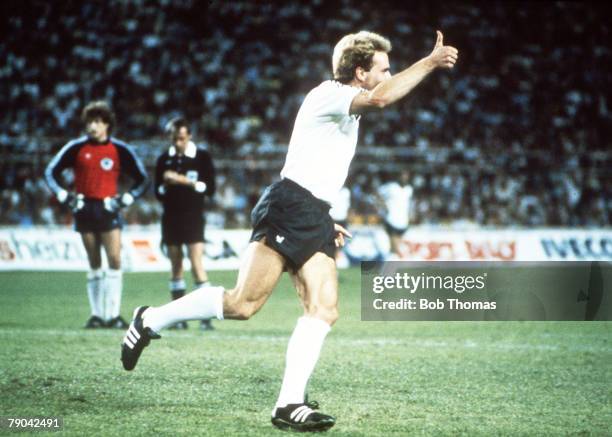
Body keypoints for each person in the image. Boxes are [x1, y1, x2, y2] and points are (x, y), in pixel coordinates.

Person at [121, 30, 458, 432]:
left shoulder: (346, 107)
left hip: (311, 211)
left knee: (325, 308)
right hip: (288, 206)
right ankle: (150, 319)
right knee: (242, 305)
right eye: (383, 68)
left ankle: (289, 404)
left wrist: (322, 216)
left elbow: (319, 158)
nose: (387, 75)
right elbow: (382, 98)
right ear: (360, 71)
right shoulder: (328, 93)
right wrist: (430, 62)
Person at [45, 101, 149, 329]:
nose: (92, 126)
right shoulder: (75, 148)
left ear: (107, 125)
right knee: (94, 262)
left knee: (114, 260)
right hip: (84, 209)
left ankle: (112, 315)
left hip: (107, 208)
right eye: (90, 122)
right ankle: (97, 315)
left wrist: (126, 198)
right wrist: (64, 195)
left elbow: (142, 178)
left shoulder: (120, 150)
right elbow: (50, 172)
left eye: (97, 122)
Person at [154, 117, 216, 330]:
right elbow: (157, 192)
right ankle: (177, 319)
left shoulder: (202, 157)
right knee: (175, 266)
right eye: (174, 139)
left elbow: (210, 189)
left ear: (189, 136)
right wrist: (165, 185)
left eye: (181, 138)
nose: (177, 143)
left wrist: (183, 181)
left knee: (197, 263)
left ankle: (206, 317)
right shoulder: (164, 159)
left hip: (193, 216)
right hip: (170, 216)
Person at [378, 170, 414, 259]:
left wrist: (411, 214)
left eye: (406, 176)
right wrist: (383, 206)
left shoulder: (409, 189)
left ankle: (390, 266)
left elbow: (409, 204)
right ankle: (394, 266)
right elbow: (378, 193)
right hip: (391, 220)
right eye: (403, 176)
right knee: (395, 246)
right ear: (398, 177)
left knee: (395, 247)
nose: (404, 178)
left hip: (403, 221)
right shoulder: (391, 187)